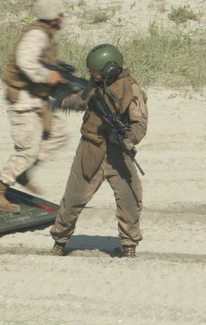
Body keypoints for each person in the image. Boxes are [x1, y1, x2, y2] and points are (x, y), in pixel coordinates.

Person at [50, 44, 148, 258]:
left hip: (117, 154)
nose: (91, 75)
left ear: (109, 70)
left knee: (130, 198)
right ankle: (59, 240)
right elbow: (80, 100)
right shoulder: (94, 85)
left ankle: (129, 245)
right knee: (73, 199)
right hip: (90, 148)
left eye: (95, 71)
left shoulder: (133, 91)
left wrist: (127, 138)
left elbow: (140, 125)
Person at [0, 0, 70, 214]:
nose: (63, 18)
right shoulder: (35, 35)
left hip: (36, 100)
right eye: (60, 15)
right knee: (27, 150)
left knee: (58, 133)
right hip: (22, 101)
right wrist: (47, 76)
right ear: (53, 17)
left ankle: (23, 171)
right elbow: (25, 62)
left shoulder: (45, 35)